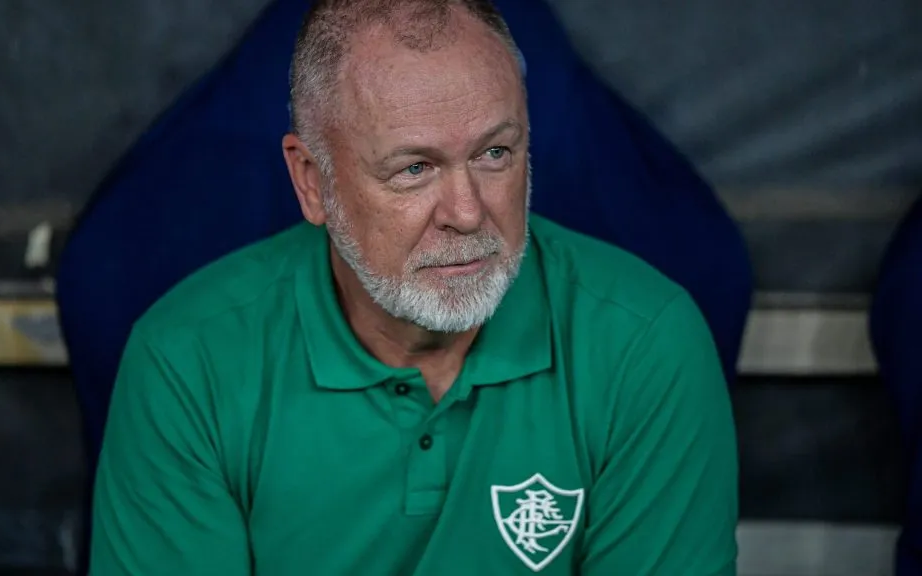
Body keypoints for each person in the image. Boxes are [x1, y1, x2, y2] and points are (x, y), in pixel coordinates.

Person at [89, 0, 739, 573]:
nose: (466, 211)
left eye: (495, 154)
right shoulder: (186, 363)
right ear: (312, 181)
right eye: (414, 168)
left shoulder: (645, 343)